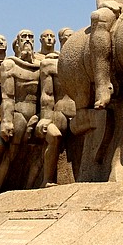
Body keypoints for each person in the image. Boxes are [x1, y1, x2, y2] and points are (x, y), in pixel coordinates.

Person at [0, 29, 41, 195]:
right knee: (2, 149)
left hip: (32, 114)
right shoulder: (7, 65)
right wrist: (3, 121)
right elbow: (6, 97)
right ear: (17, 43)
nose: (28, 40)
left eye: (30, 37)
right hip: (6, 115)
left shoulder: (39, 66)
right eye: (24, 37)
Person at [36, 30, 76, 187]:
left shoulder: (81, 61)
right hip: (58, 112)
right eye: (66, 39)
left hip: (77, 110)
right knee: (55, 137)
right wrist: (45, 118)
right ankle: (47, 179)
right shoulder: (50, 64)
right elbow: (47, 95)